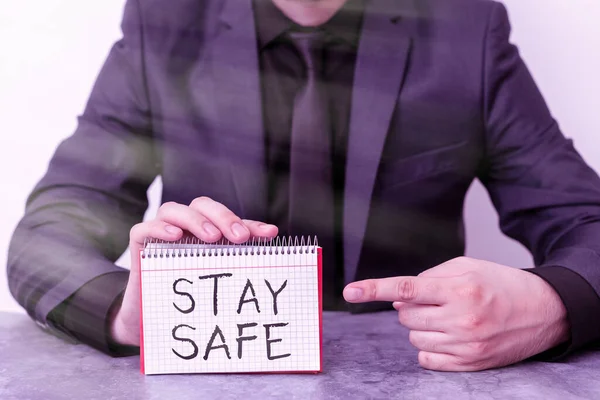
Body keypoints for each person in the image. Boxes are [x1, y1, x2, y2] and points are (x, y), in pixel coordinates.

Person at [7, 0, 600, 372]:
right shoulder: (164, 21)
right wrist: (124, 313)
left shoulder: (464, 27)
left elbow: (585, 218)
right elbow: (51, 228)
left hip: (415, 374)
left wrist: (554, 303)